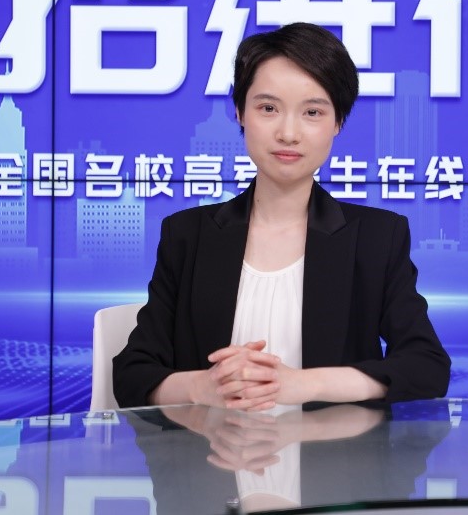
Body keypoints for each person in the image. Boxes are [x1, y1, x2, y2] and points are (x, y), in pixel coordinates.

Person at [113, 22, 450, 410]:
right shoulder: (188, 235)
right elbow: (132, 374)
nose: (288, 133)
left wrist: (305, 384)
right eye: (268, 108)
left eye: (312, 112)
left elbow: (427, 367)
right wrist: (203, 387)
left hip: (338, 448)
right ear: (240, 112)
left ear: (337, 122)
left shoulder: (376, 238)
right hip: (209, 447)